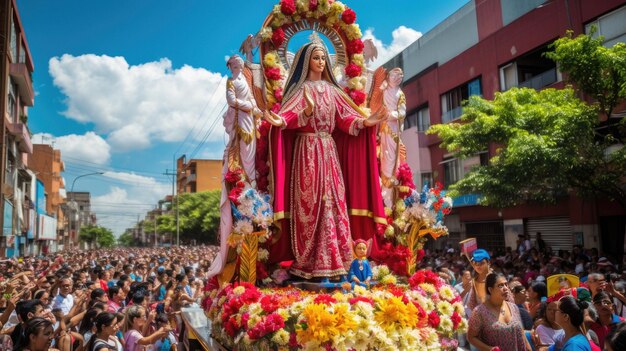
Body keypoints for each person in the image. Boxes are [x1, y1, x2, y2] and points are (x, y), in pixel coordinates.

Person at [264, 40, 386, 280]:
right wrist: (287, 119)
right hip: (306, 149)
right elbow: (288, 117)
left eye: (323, 58)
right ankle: (308, 260)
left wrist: (365, 122)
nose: (321, 62)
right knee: (310, 201)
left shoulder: (333, 91)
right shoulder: (301, 90)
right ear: (305, 61)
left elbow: (345, 119)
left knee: (333, 199)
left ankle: (337, 259)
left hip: (328, 150)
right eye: (316, 58)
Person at [223, 54, 262, 185]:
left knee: (252, 147)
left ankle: (252, 177)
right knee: (244, 147)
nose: (238, 69)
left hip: (249, 117)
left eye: (240, 66)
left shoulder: (244, 80)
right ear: (231, 67)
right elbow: (231, 100)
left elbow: (250, 96)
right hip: (240, 117)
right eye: (235, 66)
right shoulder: (231, 81)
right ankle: (246, 177)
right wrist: (248, 106)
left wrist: (255, 108)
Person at [467, 273, 531, 351]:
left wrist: (529, 349)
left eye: (506, 284)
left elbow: (521, 333)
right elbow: (471, 337)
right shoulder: (479, 312)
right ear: (490, 290)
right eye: (500, 286)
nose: (505, 288)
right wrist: (489, 349)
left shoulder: (513, 307)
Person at [377, 67, 406, 208]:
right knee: (384, 157)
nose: (398, 78)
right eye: (395, 75)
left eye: (400, 76)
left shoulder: (400, 94)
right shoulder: (383, 90)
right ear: (389, 76)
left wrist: (390, 115)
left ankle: (390, 198)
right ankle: (384, 194)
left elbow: (402, 112)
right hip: (383, 129)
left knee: (393, 160)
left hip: (393, 130)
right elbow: (376, 105)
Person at [463, 249, 493, 316]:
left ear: (488, 263)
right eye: (475, 264)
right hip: (480, 318)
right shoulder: (474, 281)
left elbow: (508, 301)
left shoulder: (497, 279)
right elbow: (472, 304)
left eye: (481, 263)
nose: (478, 266)